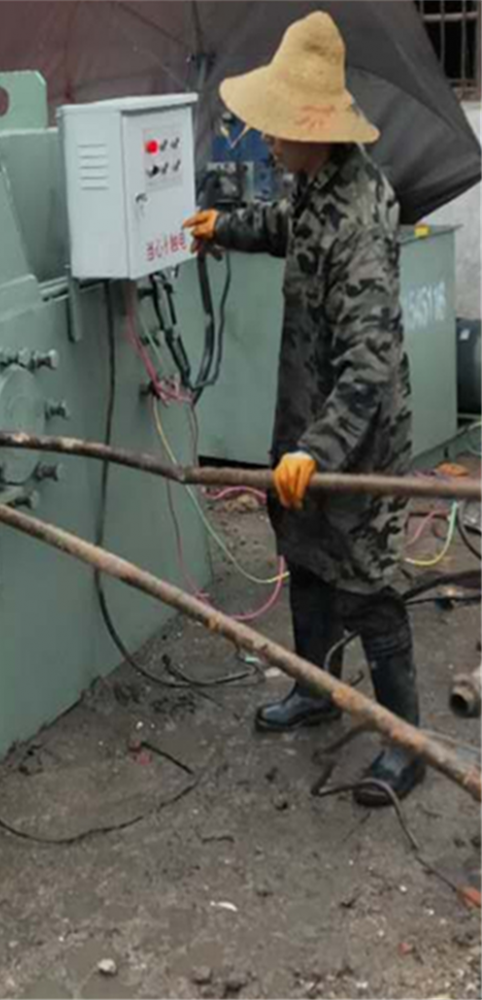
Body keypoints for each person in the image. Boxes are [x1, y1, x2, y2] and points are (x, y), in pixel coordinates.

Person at [183, 11, 422, 805]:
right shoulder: (318, 188)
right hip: (307, 425)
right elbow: (289, 227)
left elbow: (370, 364)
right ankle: (317, 691)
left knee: (367, 586)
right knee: (310, 564)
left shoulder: (359, 223)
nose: (267, 143)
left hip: (355, 440)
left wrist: (318, 449)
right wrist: (228, 228)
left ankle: (405, 743)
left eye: (277, 130)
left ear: (314, 130)